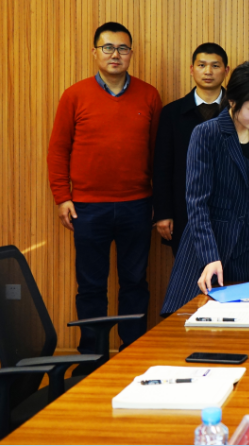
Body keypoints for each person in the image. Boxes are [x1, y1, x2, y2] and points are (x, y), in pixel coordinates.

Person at [47, 21, 162, 353]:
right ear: (94, 52)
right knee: (91, 286)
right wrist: (62, 197)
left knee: (135, 283)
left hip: (137, 204)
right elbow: (58, 150)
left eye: (122, 48)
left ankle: (132, 351)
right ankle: (91, 355)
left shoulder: (149, 95)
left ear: (131, 54)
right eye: (108, 47)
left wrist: (159, 201)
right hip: (87, 207)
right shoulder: (74, 95)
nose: (115, 54)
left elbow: (157, 152)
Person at [161, 61, 249, 316]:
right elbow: (197, 203)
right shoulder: (207, 133)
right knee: (205, 323)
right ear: (233, 100)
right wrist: (210, 256)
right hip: (215, 248)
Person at [153, 43, 230, 258]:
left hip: (229, 210)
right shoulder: (172, 113)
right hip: (183, 210)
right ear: (191, 69)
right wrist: (163, 213)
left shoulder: (238, 111)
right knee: (188, 271)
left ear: (226, 71)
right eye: (201, 65)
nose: (208, 71)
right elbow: (162, 166)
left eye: (215, 66)